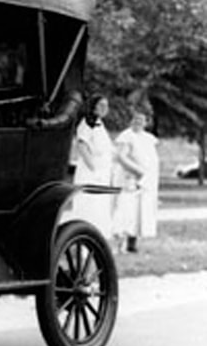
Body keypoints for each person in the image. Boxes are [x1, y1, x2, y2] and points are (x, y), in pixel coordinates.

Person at [112, 111, 160, 252]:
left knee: (139, 213)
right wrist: (137, 171)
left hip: (145, 182)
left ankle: (132, 244)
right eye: (135, 119)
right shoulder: (126, 136)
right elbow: (121, 157)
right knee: (125, 211)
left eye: (141, 120)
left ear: (146, 122)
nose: (138, 122)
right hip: (130, 178)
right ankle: (119, 245)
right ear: (131, 120)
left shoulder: (148, 138)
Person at [69, 94, 114, 238]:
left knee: (100, 207)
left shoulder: (100, 124)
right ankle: (84, 242)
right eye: (101, 105)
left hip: (102, 171)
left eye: (106, 106)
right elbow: (82, 147)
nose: (104, 109)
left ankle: (98, 238)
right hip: (90, 172)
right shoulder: (86, 123)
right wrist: (94, 169)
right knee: (88, 206)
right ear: (93, 107)